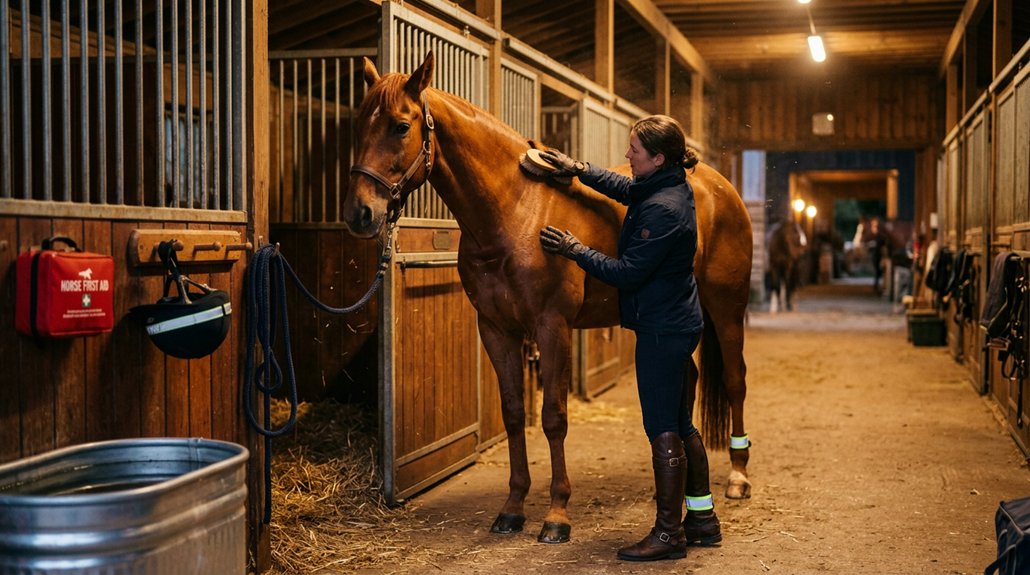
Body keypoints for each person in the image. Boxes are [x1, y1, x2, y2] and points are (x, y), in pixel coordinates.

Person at [537, 115, 721, 562]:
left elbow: (628, 274)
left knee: (661, 429)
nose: (626, 156)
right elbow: (623, 188)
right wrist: (577, 168)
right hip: (677, 320)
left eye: (633, 150)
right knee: (682, 423)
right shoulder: (666, 183)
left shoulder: (663, 209)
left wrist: (575, 250)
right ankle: (702, 519)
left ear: (657, 158)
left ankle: (668, 534)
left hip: (662, 329)